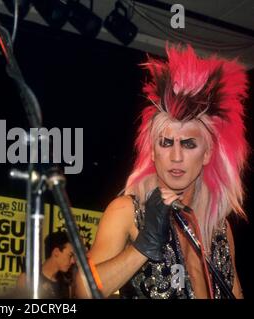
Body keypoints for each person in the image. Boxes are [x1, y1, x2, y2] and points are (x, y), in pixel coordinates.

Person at [75, 45, 248, 299]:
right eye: (166, 143)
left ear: (207, 154)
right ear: (153, 152)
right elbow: (82, 290)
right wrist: (142, 247)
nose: (176, 156)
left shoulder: (219, 228)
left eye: (189, 144)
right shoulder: (128, 211)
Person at [17, 230, 76, 298]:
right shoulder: (27, 278)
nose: (73, 261)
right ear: (56, 252)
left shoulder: (67, 285)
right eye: (70, 255)